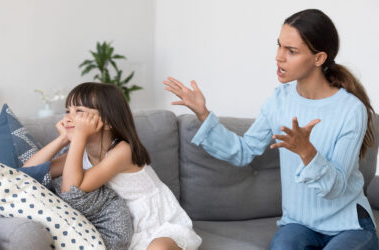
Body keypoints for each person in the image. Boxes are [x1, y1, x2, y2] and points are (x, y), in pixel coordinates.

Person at [164, 9, 378, 250]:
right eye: (279, 46)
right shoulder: (279, 100)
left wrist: (306, 152)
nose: (279, 57)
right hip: (299, 223)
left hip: (349, 224)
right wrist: (203, 113)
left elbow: (335, 188)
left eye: (291, 51)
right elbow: (243, 151)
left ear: (318, 58)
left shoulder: (351, 110)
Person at [24, 82, 202, 250]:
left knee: (157, 247)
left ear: (107, 121)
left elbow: (73, 188)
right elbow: (29, 172)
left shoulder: (123, 150)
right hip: (121, 227)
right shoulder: (80, 152)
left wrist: (78, 137)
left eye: (78, 110)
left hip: (157, 222)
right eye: (67, 110)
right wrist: (62, 139)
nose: (68, 117)